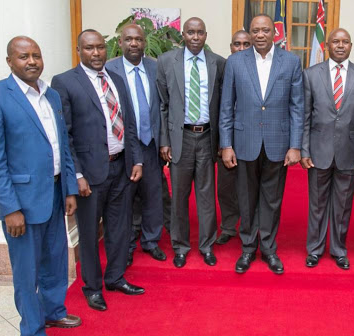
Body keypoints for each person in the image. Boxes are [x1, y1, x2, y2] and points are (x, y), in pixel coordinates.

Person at [51, 29, 145, 312]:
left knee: (120, 228)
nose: (96, 53)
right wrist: (76, 175)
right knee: (90, 234)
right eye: (89, 48)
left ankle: (115, 277)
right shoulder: (65, 82)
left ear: (107, 49)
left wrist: (137, 160)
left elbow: (128, 125)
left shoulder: (115, 79)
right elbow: (64, 135)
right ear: (79, 50)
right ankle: (92, 287)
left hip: (121, 167)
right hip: (89, 175)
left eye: (100, 48)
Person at [0, 36, 80, 336]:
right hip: (22, 203)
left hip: (56, 191)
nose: (31, 61)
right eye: (23, 56)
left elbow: (63, 147)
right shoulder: (2, 97)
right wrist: (9, 208)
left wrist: (70, 189)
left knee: (55, 261)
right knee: (27, 270)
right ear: (9, 61)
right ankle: (32, 331)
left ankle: (54, 312)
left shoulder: (52, 96)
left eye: (36, 55)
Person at [220, 14, 304, 275]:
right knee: (245, 198)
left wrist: (295, 145)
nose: (259, 35)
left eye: (265, 30)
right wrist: (226, 144)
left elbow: (297, 107)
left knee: (271, 199)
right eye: (255, 30)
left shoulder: (291, 62)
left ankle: (267, 248)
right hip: (244, 141)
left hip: (278, 143)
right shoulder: (235, 62)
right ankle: (247, 248)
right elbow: (226, 107)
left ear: (274, 33)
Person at [301, 28, 354, 269]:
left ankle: (338, 249)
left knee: (343, 206)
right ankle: (314, 249)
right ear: (327, 46)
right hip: (318, 150)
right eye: (336, 41)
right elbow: (304, 116)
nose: (340, 45)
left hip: (350, 152)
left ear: (351, 46)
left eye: (345, 42)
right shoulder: (311, 75)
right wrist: (304, 150)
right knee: (317, 204)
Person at [157, 17, 226, 268]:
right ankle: (181, 246)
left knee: (207, 196)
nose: (195, 37)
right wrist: (165, 140)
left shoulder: (218, 63)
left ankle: (207, 246)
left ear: (206, 35)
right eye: (190, 33)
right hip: (181, 137)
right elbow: (163, 105)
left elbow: (224, 105)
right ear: (182, 35)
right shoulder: (166, 62)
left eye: (200, 33)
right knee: (180, 197)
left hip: (207, 136)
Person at [106, 24, 168, 267]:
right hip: (124, 145)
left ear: (145, 43)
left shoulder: (155, 67)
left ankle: (151, 241)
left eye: (139, 39)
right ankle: (128, 243)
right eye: (129, 39)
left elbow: (163, 105)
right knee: (126, 197)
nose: (134, 44)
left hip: (151, 142)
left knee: (153, 194)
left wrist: (164, 141)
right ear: (120, 43)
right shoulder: (110, 69)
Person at [215, 30, 252, 246]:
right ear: (231, 47)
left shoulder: (257, 68)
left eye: (246, 44)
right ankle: (229, 227)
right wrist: (222, 142)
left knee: (247, 188)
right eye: (237, 44)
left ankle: (249, 226)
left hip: (250, 137)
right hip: (226, 137)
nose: (241, 48)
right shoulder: (223, 67)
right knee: (226, 188)